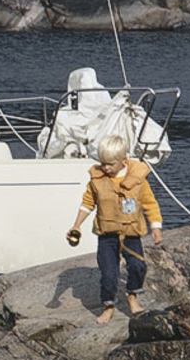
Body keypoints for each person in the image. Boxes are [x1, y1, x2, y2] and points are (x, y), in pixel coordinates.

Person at [67, 134, 164, 324]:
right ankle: (108, 306)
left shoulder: (138, 180)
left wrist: (156, 227)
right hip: (107, 235)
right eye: (103, 163)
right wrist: (76, 225)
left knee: (138, 266)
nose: (106, 168)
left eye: (110, 164)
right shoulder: (97, 180)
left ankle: (132, 297)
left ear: (123, 160)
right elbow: (88, 203)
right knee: (109, 274)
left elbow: (150, 204)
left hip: (131, 234)